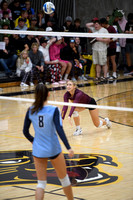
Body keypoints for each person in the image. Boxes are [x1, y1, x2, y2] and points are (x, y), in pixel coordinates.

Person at [23, 83, 74, 200]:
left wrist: (33, 141)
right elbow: (59, 129)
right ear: (49, 94)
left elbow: (25, 131)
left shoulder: (30, 110)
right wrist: (68, 147)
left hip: (38, 150)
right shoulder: (54, 110)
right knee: (64, 179)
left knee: (41, 183)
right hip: (53, 149)